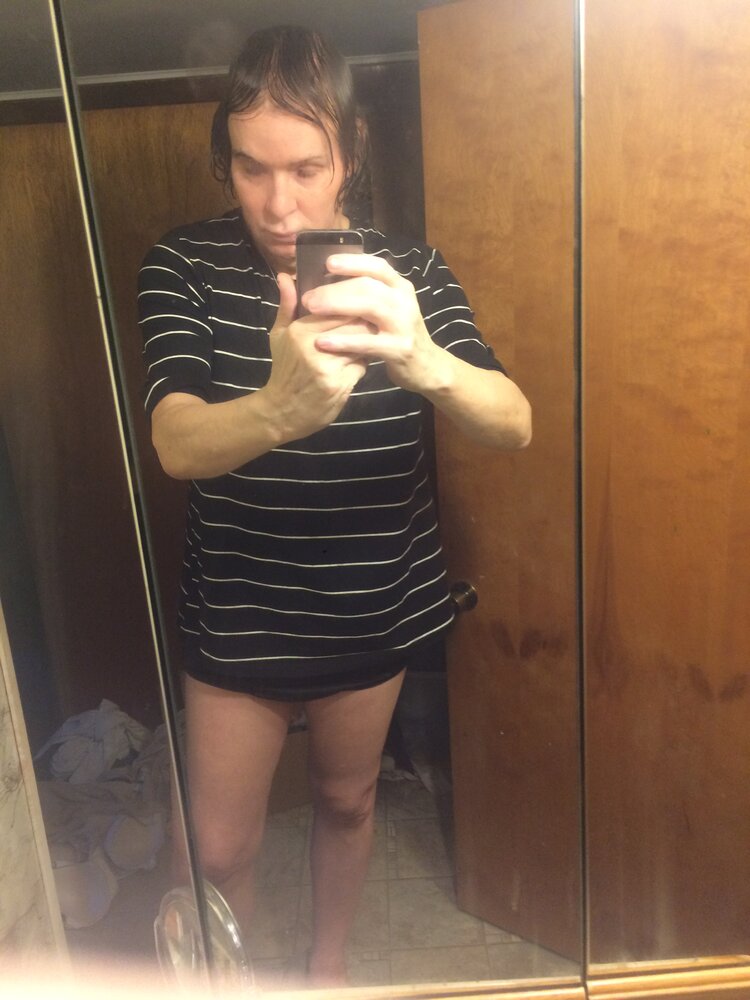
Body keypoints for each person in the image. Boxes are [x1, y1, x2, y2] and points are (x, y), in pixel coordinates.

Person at [138, 25, 531, 987]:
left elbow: (513, 421)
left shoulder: (411, 274)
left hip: (372, 599)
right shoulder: (183, 265)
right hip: (241, 611)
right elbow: (176, 442)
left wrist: (422, 358)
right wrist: (280, 408)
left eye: (307, 168)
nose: (280, 204)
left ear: (349, 154)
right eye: (252, 168)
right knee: (215, 851)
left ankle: (325, 972)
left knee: (349, 802)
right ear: (225, 160)